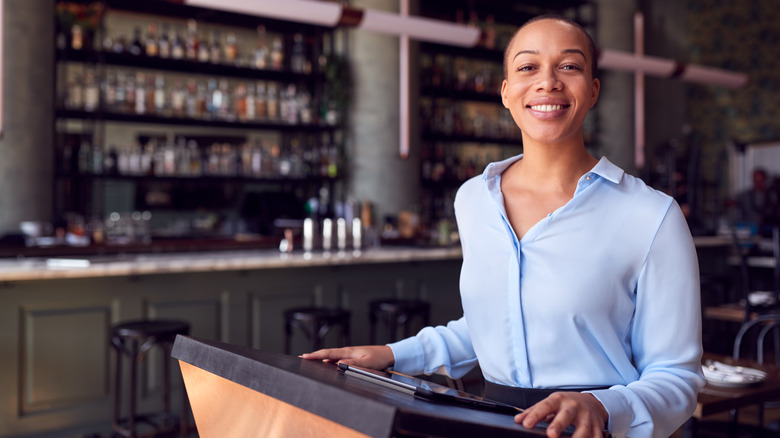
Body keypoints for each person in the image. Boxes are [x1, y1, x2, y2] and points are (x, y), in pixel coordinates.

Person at [302, 15, 704, 438]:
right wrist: (389, 354)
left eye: (569, 66)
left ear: (593, 91)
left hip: (599, 429)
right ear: (506, 92)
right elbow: (491, 326)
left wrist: (602, 406)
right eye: (528, 67)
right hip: (493, 419)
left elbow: (677, 379)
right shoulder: (474, 199)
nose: (547, 82)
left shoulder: (652, 215)